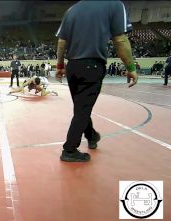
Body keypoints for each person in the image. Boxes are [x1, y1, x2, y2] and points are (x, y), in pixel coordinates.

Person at [56, 0, 138, 162]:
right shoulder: (114, 5)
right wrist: (130, 66)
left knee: (81, 107)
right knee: (82, 109)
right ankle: (70, 149)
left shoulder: (72, 10)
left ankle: (92, 135)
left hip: (72, 66)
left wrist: (60, 65)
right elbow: (120, 39)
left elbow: (61, 42)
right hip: (92, 65)